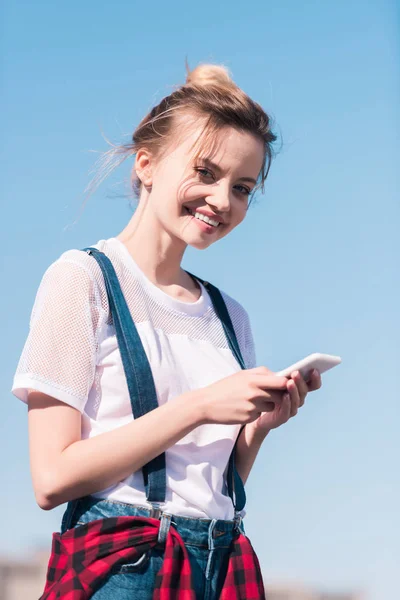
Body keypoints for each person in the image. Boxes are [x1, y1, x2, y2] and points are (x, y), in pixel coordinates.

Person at [11, 62, 322, 600]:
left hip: (221, 558)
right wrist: (199, 406)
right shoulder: (83, 281)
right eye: (205, 172)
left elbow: (208, 481)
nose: (223, 201)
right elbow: (52, 478)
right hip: (124, 563)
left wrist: (260, 427)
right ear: (146, 164)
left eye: (243, 187)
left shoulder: (230, 315)